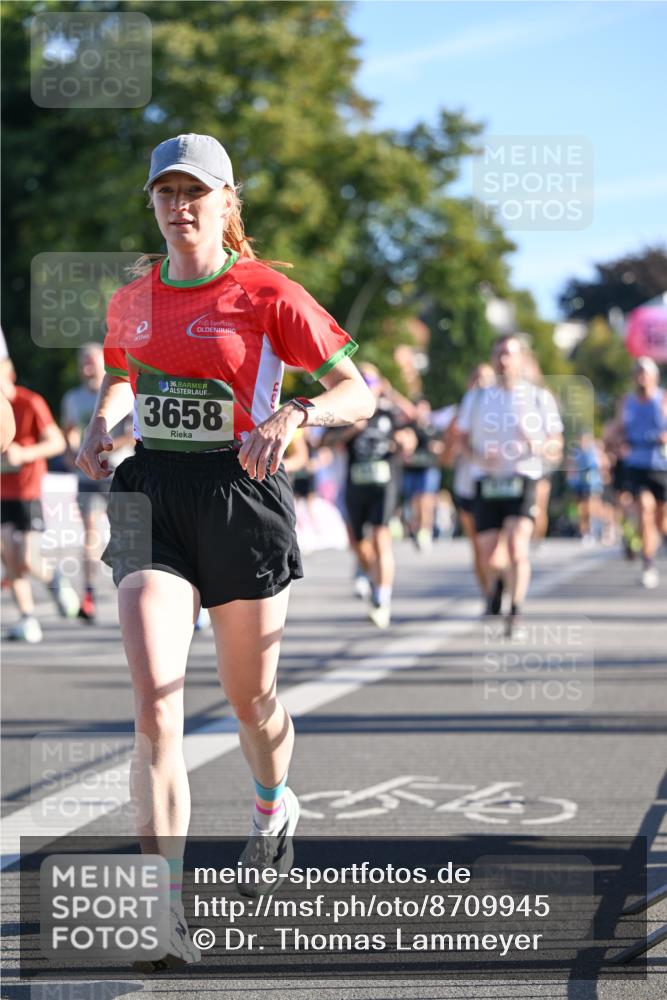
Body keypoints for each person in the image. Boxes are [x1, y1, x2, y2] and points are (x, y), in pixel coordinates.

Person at [75, 133, 374, 969]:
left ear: (226, 202)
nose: (179, 206)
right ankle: (161, 911)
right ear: (152, 202)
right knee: (155, 705)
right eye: (165, 192)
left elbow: (357, 391)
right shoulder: (133, 299)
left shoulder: (267, 292)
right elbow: (122, 374)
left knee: (251, 700)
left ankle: (273, 804)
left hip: (241, 493)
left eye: (195, 191)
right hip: (152, 493)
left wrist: (297, 413)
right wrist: (103, 423)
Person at [454, 334, 564, 636]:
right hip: (487, 481)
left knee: (517, 547)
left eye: (509, 354)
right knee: (489, 557)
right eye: (498, 354)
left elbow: (557, 444)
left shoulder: (538, 397)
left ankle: (515, 611)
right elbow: (460, 438)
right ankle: (501, 583)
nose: (503, 360)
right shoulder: (477, 398)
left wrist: (539, 445)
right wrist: (477, 456)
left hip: (523, 478)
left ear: (521, 359)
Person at [323, 364, 415, 629]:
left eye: (372, 383)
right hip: (355, 484)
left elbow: (413, 427)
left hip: (385, 484)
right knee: (358, 543)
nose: (368, 387)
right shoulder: (346, 414)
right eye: (363, 382)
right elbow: (324, 443)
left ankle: (382, 600)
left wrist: (405, 440)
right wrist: (352, 430)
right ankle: (372, 574)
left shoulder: (389, 411)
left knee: (381, 537)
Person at [1, 359, 79, 642]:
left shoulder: (30, 402)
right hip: (2, 493)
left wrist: (24, 454)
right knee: (9, 555)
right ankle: (27, 619)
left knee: (24, 558)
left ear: (9, 371)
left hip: (28, 491)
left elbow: (56, 443)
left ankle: (55, 580)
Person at [61, 343, 134, 621]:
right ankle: (88, 594)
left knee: (127, 535)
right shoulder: (73, 398)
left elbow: (134, 433)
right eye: (83, 361)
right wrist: (72, 452)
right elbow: (68, 429)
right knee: (90, 534)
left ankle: (135, 593)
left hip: (118, 471)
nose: (87, 366)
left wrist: (101, 446)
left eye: (92, 360)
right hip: (87, 475)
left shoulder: (122, 390)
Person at [610, 357, 667, 588]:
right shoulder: (627, 402)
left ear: (655, 377)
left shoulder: (663, 399)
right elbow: (617, 429)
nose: (641, 377)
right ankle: (648, 563)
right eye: (638, 372)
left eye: (645, 373)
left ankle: (656, 540)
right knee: (644, 508)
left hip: (661, 465)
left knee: (662, 521)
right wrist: (617, 440)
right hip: (636, 464)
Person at [443, 363, 496, 601]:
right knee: (478, 545)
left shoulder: (502, 414)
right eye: (477, 378)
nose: (481, 384)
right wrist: (455, 439)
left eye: (487, 379)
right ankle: (489, 595)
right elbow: (445, 459)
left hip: (495, 486)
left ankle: (500, 584)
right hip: (467, 487)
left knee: (497, 544)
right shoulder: (459, 416)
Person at [401, 397, 444, 551]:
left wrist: (437, 448)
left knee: (426, 500)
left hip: (428, 469)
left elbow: (443, 448)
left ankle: (425, 532)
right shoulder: (409, 428)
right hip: (412, 470)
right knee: (415, 502)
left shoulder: (434, 429)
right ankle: (416, 528)